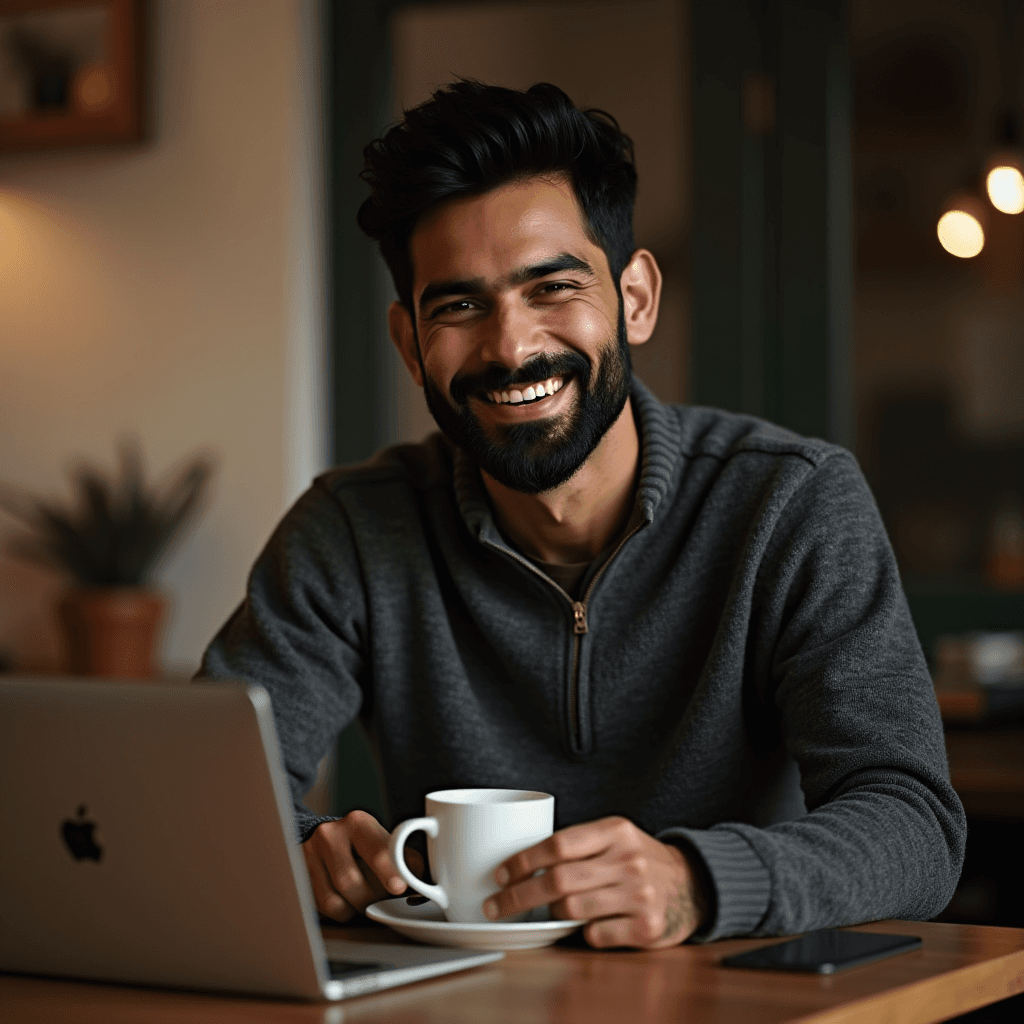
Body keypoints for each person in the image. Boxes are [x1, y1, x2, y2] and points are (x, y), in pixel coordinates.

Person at [198, 81, 965, 949]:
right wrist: (298, 852)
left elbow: (916, 830)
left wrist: (696, 884)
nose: (511, 346)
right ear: (411, 343)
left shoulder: (792, 500)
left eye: (552, 288)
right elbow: (199, 797)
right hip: (461, 1011)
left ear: (634, 297)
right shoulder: (351, 528)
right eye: (457, 306)